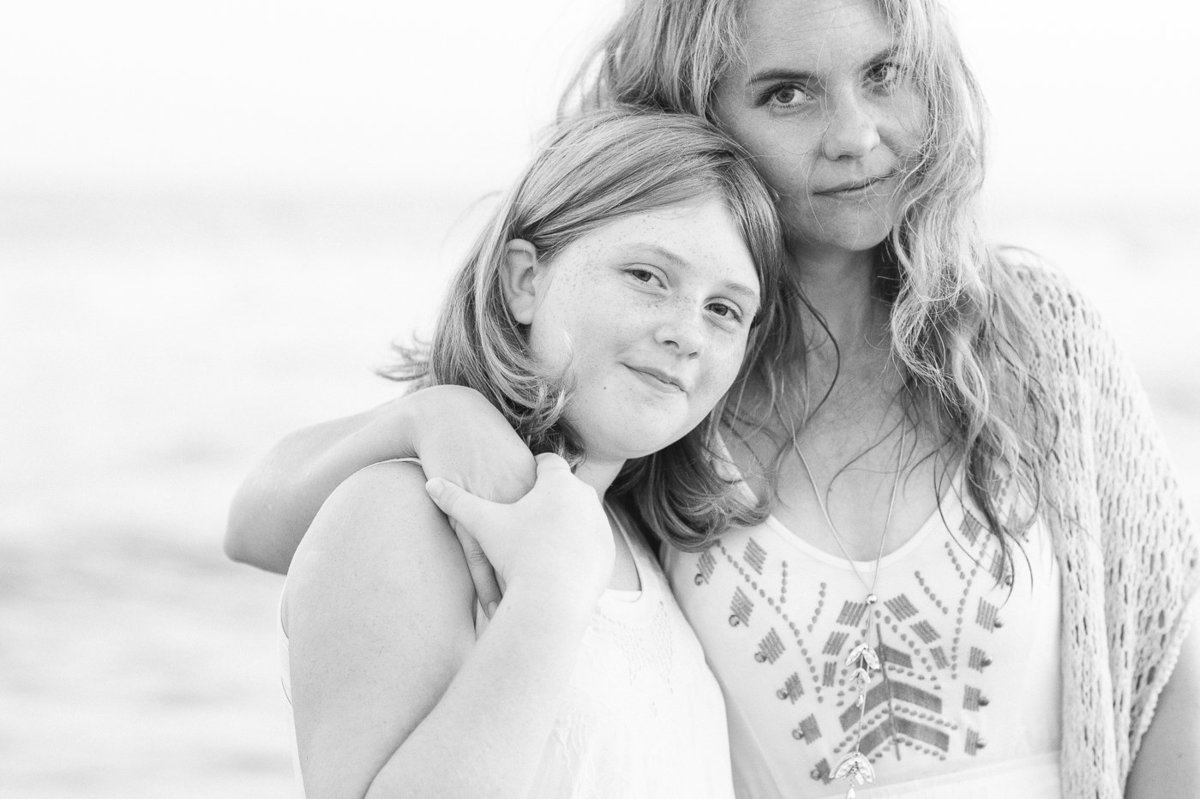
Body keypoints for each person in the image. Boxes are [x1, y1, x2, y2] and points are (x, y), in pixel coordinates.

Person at [228, 1, 1200, 797]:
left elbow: (1165, 659)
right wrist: (429, 414)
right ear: (702, 114)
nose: (857, 136)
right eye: (787, 92)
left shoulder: (1034, 344)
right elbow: (289, 533)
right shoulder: (669, 408)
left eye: (886, 73)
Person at [279, 108, 798, 798]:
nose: (687, 333)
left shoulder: (641, 548)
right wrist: (549, 591)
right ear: (526, 280)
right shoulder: (404, 514)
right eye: (647, 275)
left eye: (725, 310)